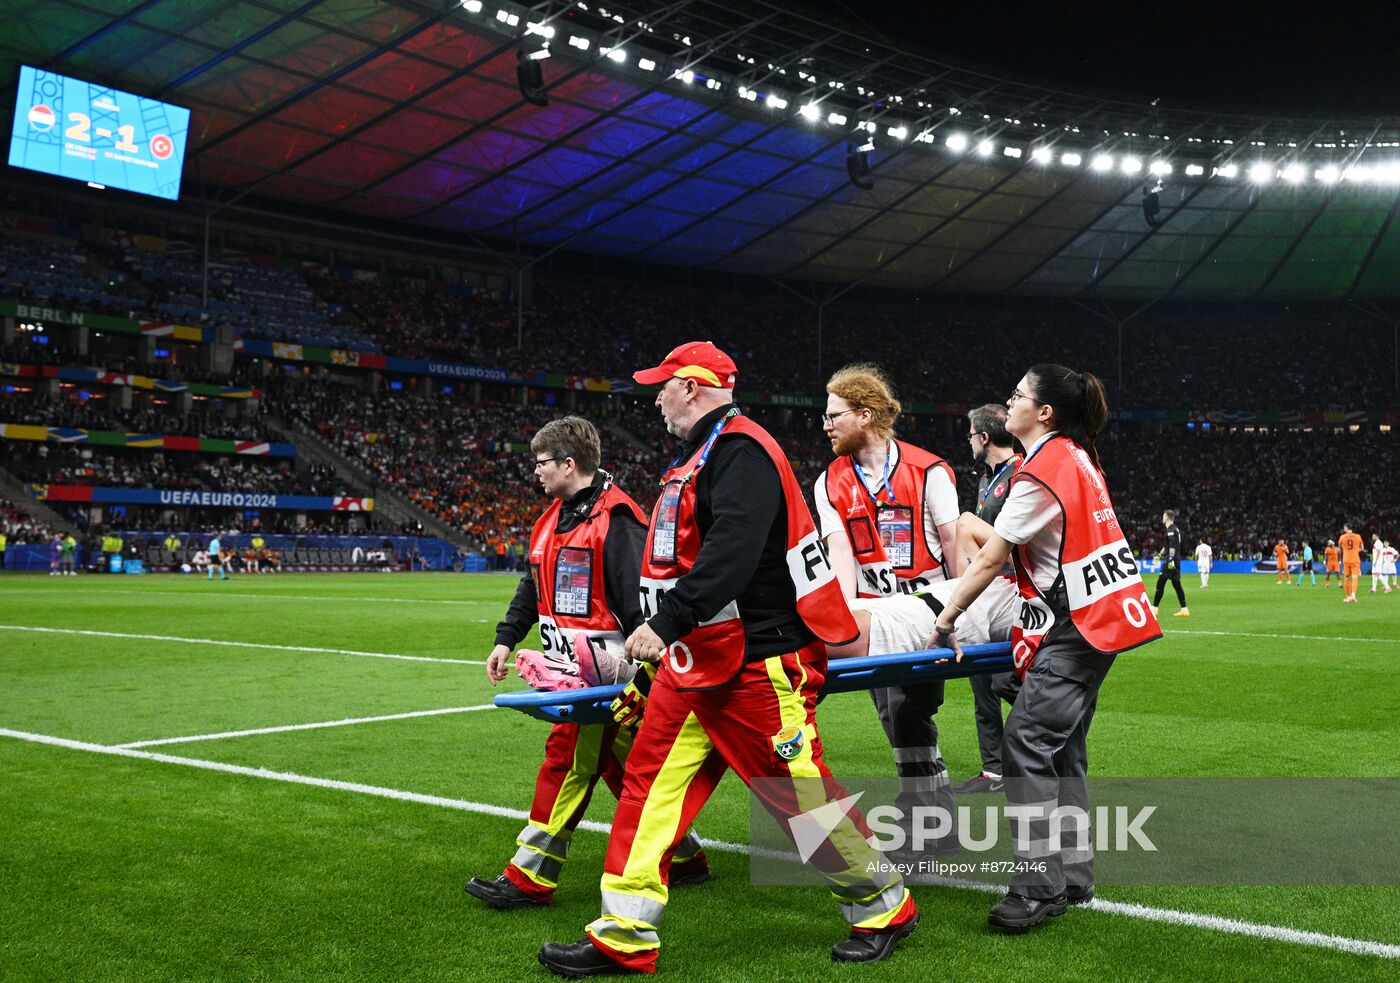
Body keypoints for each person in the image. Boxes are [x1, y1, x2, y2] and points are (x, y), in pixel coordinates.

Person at [539, 342, 918, 977]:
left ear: (692, 387)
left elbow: (732, 553)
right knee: (647, 781)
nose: (654, 398)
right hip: (699, 659)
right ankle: (624, 933)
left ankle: (883, 905)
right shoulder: (706, 452)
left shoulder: (740, 451)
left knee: (798, 797)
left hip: (757, 661)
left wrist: (665, 623)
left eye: (662, 386)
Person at [926, 364, 1161, 932]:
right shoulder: (1076, 457)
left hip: (1074, 629)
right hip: (1095, 621)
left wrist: (947, 616)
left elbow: (991, 556)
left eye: (1018, 395)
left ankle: (1037, 888)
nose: (1009, 401)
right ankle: (1074, 875)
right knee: (1063, 750)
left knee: (1025, 744)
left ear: (1044, 412)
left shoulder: (1041, 471)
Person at [469, 417, 709, 912]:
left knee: (568, 762)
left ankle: (530, 875)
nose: (535, 473)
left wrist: (643, 674)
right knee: (626, 772)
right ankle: (685, 857)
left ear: (568, 464)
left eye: (541, 463)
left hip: (607, 677)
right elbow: (531, 585)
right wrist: (506, 639)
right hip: (572, 674)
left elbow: (644, 601)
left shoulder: (618, 521)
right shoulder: (551, 517)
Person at [813, 363, 961, 846]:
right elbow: (841, 563)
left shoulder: (929, 469)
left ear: (867, 414)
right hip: (877, 617)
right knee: (900, 716)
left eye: (835, 414)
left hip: (932, 609)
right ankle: (933, 815)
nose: (825, 423)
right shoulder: (829, 481)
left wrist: (958, 613)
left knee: (905, 711)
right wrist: (844, 625)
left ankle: (925, 815)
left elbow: (953, 545)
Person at [953, 404, 1023, 795]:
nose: (968, 442)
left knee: (1003, 681)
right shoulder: (986, 478)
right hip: (984, 593)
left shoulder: (1020, 473)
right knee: (981, 684)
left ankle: (1047, 743)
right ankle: (993, 772)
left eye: (970, 436)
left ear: (983, 438)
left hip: (1013, 594)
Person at [1151, 510, 1189, 617]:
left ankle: (1154, 608)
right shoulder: (1174, 529)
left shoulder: (1171, 530)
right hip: (1174, 560)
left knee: (1160, 583)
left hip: (1170, 561)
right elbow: (1167, 546)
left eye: (1163, 515)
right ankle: (1184, 609)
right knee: (1177, 585)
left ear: (1167, 517)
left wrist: (1170, 559)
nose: (1162, 517)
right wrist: (1159, 555)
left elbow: (1172, 546)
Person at [1339, 525, 1364, 603]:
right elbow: (1362, 548)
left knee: (1346, 578)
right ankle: (1353, 595)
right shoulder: (1358, 536)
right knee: (1355, 577)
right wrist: (1356, 550)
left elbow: (1340, 548)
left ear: (1346, 528)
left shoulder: (1342, 537)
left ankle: (1348, 597)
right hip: (1355, 559)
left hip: (1346, 559)